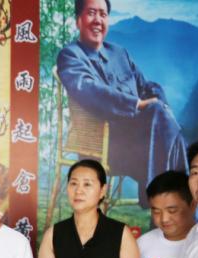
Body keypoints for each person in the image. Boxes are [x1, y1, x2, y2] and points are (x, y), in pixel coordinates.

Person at [57, 0, 187, 207]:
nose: (98, 20)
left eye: (103, 14)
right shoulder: (71, 55)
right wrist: (136, 104)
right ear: (78, 21)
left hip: (140, 142)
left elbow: (146, 86)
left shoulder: (120, 53)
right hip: (106, 144)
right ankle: (170, 208)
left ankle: (163, 206)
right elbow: (88, 90)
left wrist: (162, 106)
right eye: (91, 13)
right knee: (172, 140)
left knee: (163, 121)